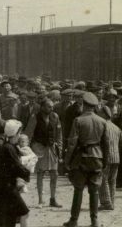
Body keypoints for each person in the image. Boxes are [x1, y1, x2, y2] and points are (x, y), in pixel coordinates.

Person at [64, 92, 110, 227]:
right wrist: (105, 161)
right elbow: (105, 143)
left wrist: (67, 161)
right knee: (94, 191)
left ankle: (74, 220)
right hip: (97, 158)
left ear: (84, 105)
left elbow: (72, 143)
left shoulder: (78, 120)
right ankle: (94, 220)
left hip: (81, 158)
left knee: (78, 189)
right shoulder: (102, 121)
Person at [0, 119, 30, 227]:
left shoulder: (6, 145)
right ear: (15, 133)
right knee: (23, 212)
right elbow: (17, 167)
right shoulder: (8, 147)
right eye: (19, 133)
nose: (20, 135)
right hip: (7, 188)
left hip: (3, 187)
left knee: (8, 218)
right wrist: (27, 171)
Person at [29, 99, 63, 208]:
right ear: (42, 107)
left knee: (54, 174)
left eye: (52, 106)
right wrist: (30, 149)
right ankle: (40, 200)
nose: (51, 108)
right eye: (49, 106)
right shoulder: (35, 117)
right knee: (40, 173)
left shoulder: (55, 117)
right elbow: (28, 134)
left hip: (52, 148)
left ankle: (52, 199)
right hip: (39, 148)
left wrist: (60, 147)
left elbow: (59, 134)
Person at [99, 106, 121, 210]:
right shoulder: (117, 128)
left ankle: (106, 203)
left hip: (106, 156)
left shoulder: (102, 126)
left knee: (104, 180)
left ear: (104, 114)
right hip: (116, 157)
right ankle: (112, 202)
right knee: (113, 180)